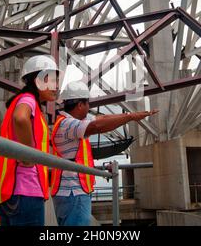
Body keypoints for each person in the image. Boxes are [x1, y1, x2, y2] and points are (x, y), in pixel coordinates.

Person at [51, 81, 158, 226]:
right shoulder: (68, 124)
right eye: (88, 103)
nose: (89, 108)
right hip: (73, 192)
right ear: (80, 105)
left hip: (70, 192)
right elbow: (96, 126)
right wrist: (130, 117)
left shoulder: (67, 122)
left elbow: (100, 119)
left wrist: (130, 114)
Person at [0, 55, 59, 226]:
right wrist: (28, 154)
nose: (56, 87)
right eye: (52, 80)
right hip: (26, 189)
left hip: (7, 191)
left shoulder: (18, 102)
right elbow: (21, 118)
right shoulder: (28, 100)